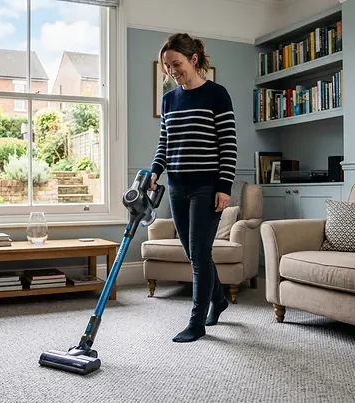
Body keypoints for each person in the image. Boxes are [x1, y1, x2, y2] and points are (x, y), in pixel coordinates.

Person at [149, 33, 238, 343]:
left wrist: (224, 187)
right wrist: (155, 170)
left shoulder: (217, 94)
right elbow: (165, 142)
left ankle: (196, 322)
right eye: (167, 66)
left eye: (177, 64)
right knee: (192, 251)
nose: (172, 71)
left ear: (194, 60)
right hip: (177, 186)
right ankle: (219, 299)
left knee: (200, 254)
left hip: (207, 186)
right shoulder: (169, 99)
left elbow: (228, 143)